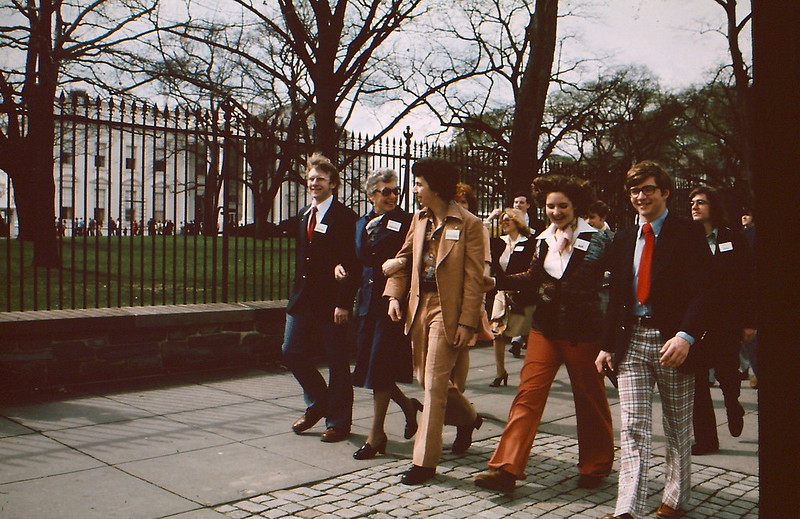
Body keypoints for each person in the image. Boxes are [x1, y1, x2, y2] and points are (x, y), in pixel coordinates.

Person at [474, 174, 614, 494]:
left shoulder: (600, 239)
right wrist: (497, 282)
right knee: (528, 396)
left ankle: (596, 465)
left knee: (590, 400)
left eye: (562, 206)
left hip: (584, 332)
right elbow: (533, 277)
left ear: (575, 206)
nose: (555, 212)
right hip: (545, 329)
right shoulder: (543, 239)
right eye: (550, 206)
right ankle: (506, 468)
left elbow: (617, 286)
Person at [595, 160, 712, 519]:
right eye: (634, 190)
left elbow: (705, 291)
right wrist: (606, 344)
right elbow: (617, 296)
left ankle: (675, 499)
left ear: (665, 192)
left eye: (647, 189)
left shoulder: (687, 233)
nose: (640, 196)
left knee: (677, 426)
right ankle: (627, 508)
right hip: (631, 342)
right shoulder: (624, 237)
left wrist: (686, 336)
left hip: (672, 344)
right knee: (632, 426)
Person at [383, 157, 486, 485]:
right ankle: (469, 418)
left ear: (437, 187)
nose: (414, 189)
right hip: (419, 305)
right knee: (428, 381)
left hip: (448, 309)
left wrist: (468, 323)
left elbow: (475, 278)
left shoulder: (470, 224)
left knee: (435, 385)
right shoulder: (419, 218)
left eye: (419, 184)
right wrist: (394, 295)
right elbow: (404, 258)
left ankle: (424, 462)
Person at [334, 168, 422, 460]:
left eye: (395, 190)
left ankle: (376, 435)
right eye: (385, 191)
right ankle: (409, 407)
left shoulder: (407, 221)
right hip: (367, 303)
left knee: (380, 368)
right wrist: (343, 290)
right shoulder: (361, 223)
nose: (392, 196)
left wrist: (400, 264)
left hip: (392, 303)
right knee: (371, 368)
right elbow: (354, 262)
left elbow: (417, 254)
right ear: (371, 194)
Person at [282, 152, 359, 443]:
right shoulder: (305, 214)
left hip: (331, 303)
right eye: (311, 178)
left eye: (321, 179)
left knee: (337, 362)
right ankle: (318, 403)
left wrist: (343, 302)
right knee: (291, 352)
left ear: (333, 184)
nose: (315, 183)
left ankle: (339, 423)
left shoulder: (345, 217)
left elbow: (351, 263)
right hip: (302, 300)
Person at [688, 186, 754, 455]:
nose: (695, 206)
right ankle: (706, 440)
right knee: (697, 384)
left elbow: (748, 282)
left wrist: (749, 322)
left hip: (727, 321)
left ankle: (732, 403)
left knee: (728, 375)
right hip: (695, 324)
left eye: (701, 202)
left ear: (713, 206)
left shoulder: (732, 239)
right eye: (692, 202)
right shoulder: (685, 239)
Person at [486, 208, 536, 387]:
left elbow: (532, 272)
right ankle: (500, 372)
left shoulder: (530, 243)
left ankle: (530, 373)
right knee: (496, 333)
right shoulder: (498, 242)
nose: (503, 223)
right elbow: (480, 233)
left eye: (507, 220)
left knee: (528, 333)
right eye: (502, 220)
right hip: (502, 293)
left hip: (522, 295)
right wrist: (491, 216)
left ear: (517, 221)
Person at [740, 207, 758, 389]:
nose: (744, 217)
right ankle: (747, 369)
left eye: (748, 214)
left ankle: (754, 372)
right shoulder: (743, 234)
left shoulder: (751, 235)